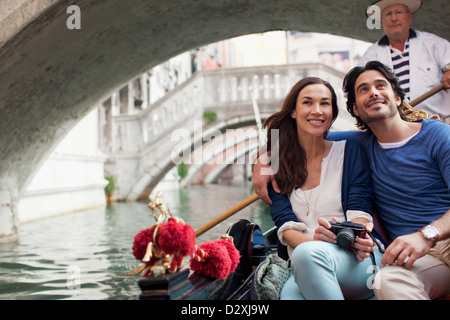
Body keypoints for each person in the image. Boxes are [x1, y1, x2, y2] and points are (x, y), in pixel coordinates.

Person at [254, 60, 450, 300]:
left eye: (380, 85)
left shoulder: (438, 135)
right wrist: (264, 157)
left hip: (441, 238)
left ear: (397, 98)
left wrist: (426, 235)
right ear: (355, 110)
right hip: (412, 257)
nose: (374, 93)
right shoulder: (361, 143)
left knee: (309, 256)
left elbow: (317, 134)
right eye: (363, 89)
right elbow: (308, 134)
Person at [258, 76, 383, 300]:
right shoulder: (276, 161)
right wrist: (315, 245)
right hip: (304, 264)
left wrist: (352, 235)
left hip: (356, 260)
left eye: (325, 103)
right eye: (307, 102)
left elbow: (360, 213)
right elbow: (285, 227)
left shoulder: (350, 151)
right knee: (290, 297)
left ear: (332, 113)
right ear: (293, 112)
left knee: (306, 256)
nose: (317, 110)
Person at [361, 0, 450, 122]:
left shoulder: (432, 43)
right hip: (396, 127)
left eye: (398, 12)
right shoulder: (371, 55)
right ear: (382, 20)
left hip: (438, 123)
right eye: (388, 14)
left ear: (409, 16)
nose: (394, 18)